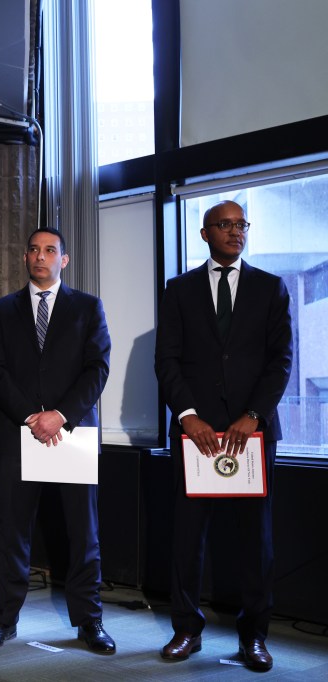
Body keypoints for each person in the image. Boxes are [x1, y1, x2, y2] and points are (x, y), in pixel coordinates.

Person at [154, 200, 292, 672]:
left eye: (242, 225)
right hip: (197, 436)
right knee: (188, 538)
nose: (236, 232)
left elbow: (281, 363)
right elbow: (167, 361)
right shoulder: (179, 290)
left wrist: (254, 414)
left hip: (251, 436)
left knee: (256, 541)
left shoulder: (271, 289)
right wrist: (188, 415)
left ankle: (253, 637)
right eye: (226, 225)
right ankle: (186, 631)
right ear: (205, 233)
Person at [0, 228, 115, 654]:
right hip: (21, 434)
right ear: (25, 258)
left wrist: (60, 416)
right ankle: (4, 621)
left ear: (64, 260)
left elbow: (97, 368)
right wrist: (30, 417)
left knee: (82, 533)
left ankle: (90, 622)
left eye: (50, 250)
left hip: (71, 434)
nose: (41, 257)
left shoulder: (88, 307)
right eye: (34, 250)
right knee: (11, 533)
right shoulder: (2, 309)